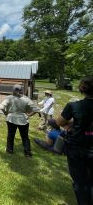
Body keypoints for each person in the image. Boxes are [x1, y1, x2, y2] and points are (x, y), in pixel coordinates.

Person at [56, 76, 93, 205]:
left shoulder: (74, 106)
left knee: (81, 183)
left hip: (78, 149)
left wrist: (73, 122)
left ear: (82, 89)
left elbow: (59, 122)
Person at [0, 84, 39, 159]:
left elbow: (1, 107)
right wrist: (29, 115)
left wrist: (5, 113)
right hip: (23, 120)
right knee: (25, 137)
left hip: (11, 119)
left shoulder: (9, 98)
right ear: (21, 90)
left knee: (11, 135)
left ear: (13, 90)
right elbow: (36, 110)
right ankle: (28, 154)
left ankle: (9, 150)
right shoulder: (26, 99)